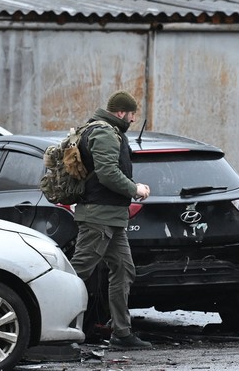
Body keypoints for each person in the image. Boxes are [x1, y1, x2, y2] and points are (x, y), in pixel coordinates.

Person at [70, 90, 152, 349]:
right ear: (120, 112)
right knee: (77, 273)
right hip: (98, 216)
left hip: (112, 217)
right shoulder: (104, 132)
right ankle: (49, 329)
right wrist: (134, 188)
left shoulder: (111, 131)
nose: (133, 119)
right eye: (131, 114)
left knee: (124, 270)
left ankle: (122, 333)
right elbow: (107, 173)